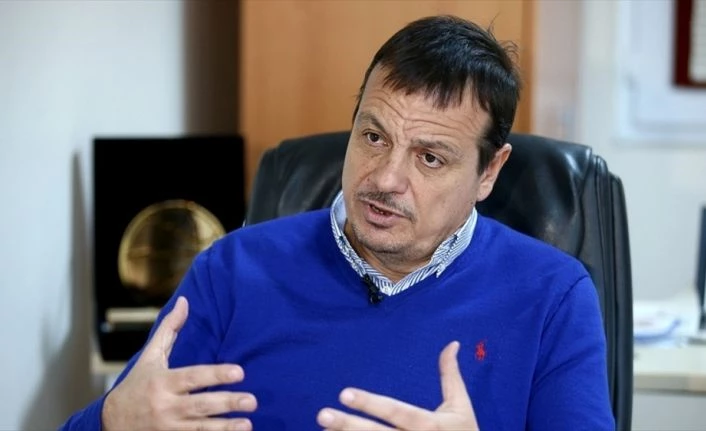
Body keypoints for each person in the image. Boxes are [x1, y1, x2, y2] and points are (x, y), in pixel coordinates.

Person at [60, 15, 614, 431]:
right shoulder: (232, 271)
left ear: (489, 172)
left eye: (429, 158)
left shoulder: (552, 296)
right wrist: (109, 420)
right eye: (373, 137)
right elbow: (137, 409)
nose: (386, 178)